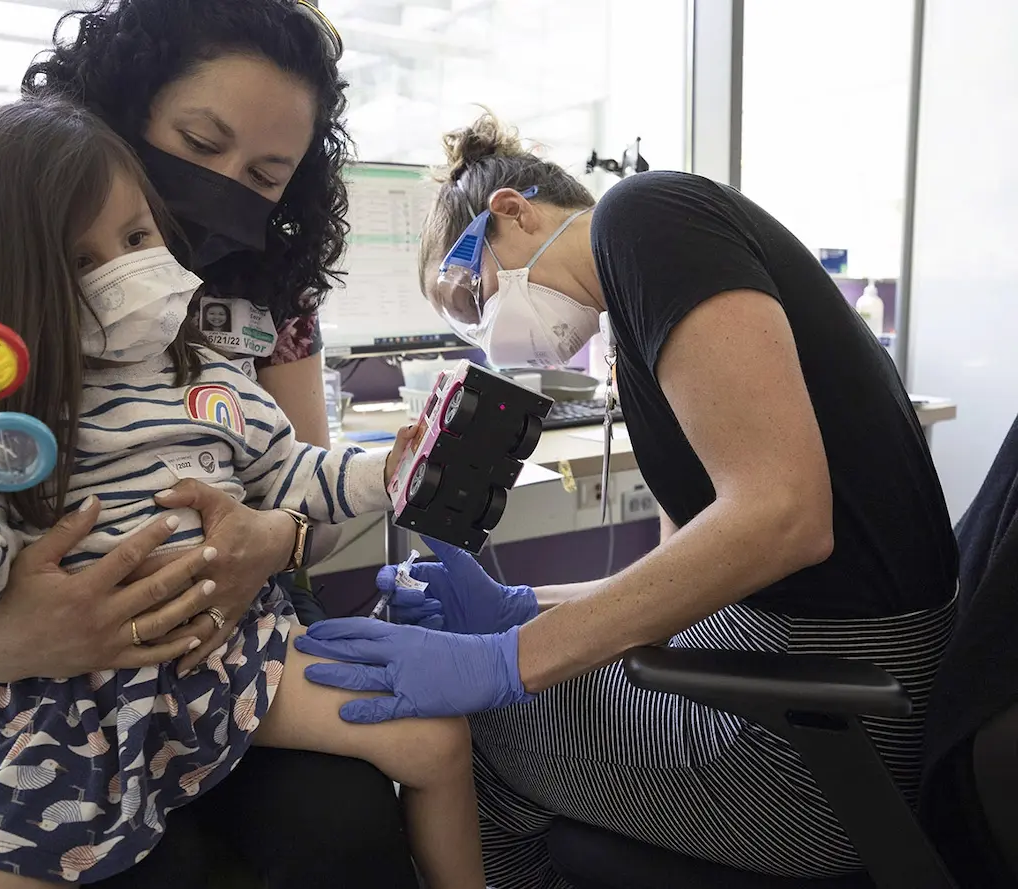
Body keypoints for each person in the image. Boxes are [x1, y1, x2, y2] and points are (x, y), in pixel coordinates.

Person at [294, 111, 960, 887]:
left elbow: (783, 517)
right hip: (794, 677)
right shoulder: (641, 315)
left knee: (463, 732)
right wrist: (523, 604)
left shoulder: (645, 215)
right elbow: (694, 571)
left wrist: (507, 660)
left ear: (510, 212)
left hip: (831, 746)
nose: (486, 333)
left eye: (471, 296)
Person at [0, 3, 421, 887]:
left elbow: (304, 491)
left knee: (341, 833)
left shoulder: (272, 294)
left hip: (226, 637)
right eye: (200, 142)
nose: (228, 182)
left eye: (268, 173)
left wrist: (269, 543)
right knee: (158, 866)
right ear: (129, 103)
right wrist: (8, 640)